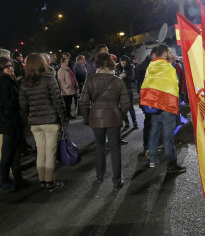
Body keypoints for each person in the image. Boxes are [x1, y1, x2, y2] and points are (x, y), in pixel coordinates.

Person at [78, 51, 130, 189]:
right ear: (111, 64)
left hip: (96, 117)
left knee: (100, 146)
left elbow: (83, 103)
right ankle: (117, 180)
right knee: (115, 148)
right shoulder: (118, 81)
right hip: (114, 117)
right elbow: (126, 103)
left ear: (97, 64)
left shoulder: (90, 80)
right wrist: (121, 115)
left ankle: (100, 174)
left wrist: (87, 117)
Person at [19, 53, 69, 191]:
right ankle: (49, 181)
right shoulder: (48, 80)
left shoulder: (24, 83)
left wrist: (28, 119)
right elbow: (58, 102)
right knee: (50, 152)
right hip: (51, 121)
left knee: (41, 152)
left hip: (35, 122)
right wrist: (64, 120)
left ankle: (42, 180)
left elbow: (23, 106)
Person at [140, 44, 186, 173]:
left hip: (154, 108)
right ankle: (171, 165)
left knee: (154, 134)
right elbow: (174, 86)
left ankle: (153, 160)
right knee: (167, 138)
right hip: (167, 107)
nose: (171, 55)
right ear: (165, 54)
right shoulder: (169, 68)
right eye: (170, 52)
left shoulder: (150, 67)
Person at [0, 57, 31, 191]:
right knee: (7, 153)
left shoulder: (8, 82)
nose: (11, 68)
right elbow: (8, 104)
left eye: (11, 65)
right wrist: (22, 101)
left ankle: (17, 179)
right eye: (7, 66)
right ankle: (5, 180)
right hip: (7, 123)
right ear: (0, 69)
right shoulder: (1, 84)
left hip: (12, 121)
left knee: (16, 152)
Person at [115, 55, 137, 129]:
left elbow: (133, 79)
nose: (123, 65)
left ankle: (134, 121)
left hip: (128, 88)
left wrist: (126, 76)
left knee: (130, 106)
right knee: (123, 107)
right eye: (122, 63)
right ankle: (126, 122)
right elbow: (115, 78)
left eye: (125, 63)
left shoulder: (130, 68)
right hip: (120, 89)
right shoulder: (117, 68)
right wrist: (119, 77)